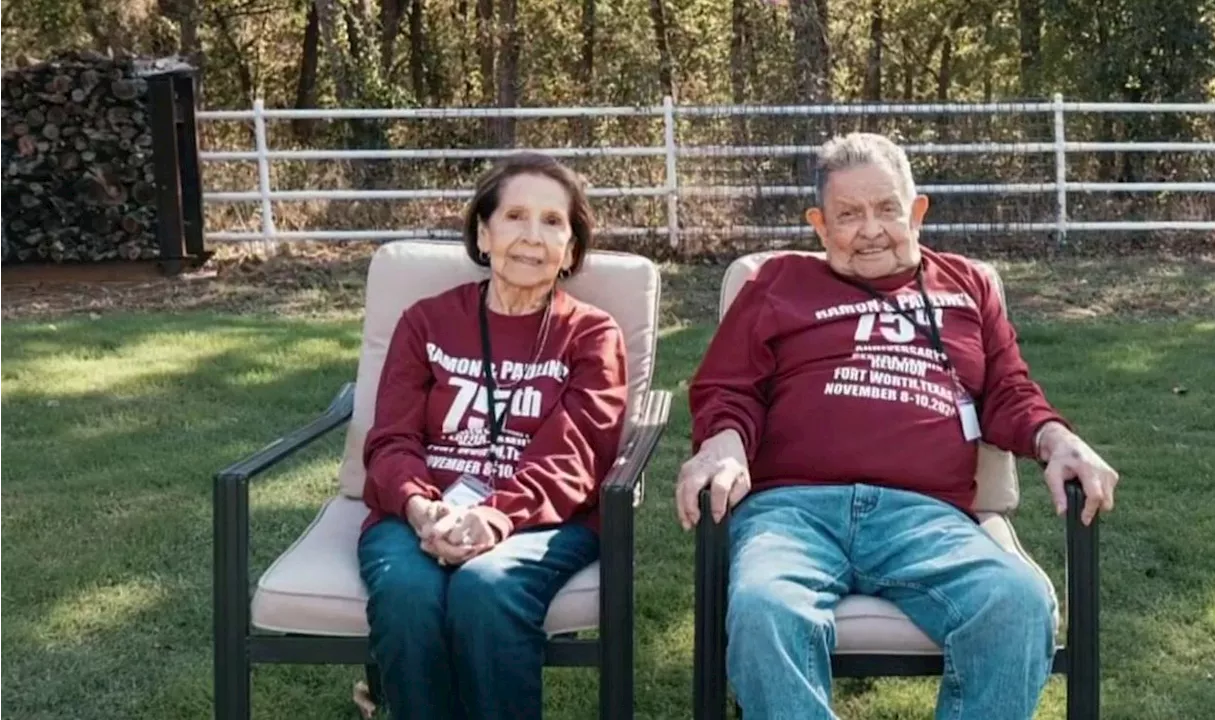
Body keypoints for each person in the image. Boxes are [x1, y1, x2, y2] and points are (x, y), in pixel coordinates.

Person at [675, 132, 1119, 720]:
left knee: (1018, 602)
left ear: (917, 210)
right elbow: (728, 387)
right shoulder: (778, 282)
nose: (871, 229)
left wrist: (1057, 438)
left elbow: (1009, 391)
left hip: (927, 516)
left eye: (886, 209)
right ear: (819, 224)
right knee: (763, 608)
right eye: (849, 215)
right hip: (793, 511)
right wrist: (724, 440)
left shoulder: (967, 285)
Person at [358, 152, 629, 720]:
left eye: (553, 222)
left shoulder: (592, 335)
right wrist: (420, 508)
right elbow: (391, 439)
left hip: (542, 520)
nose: (533, 237)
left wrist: (493, 516)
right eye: (515, 217)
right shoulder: (425, 322)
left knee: (485, 590)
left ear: (572, 250)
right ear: (484, 233)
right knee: (408, 596)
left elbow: (576, 456)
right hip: (421, 510)